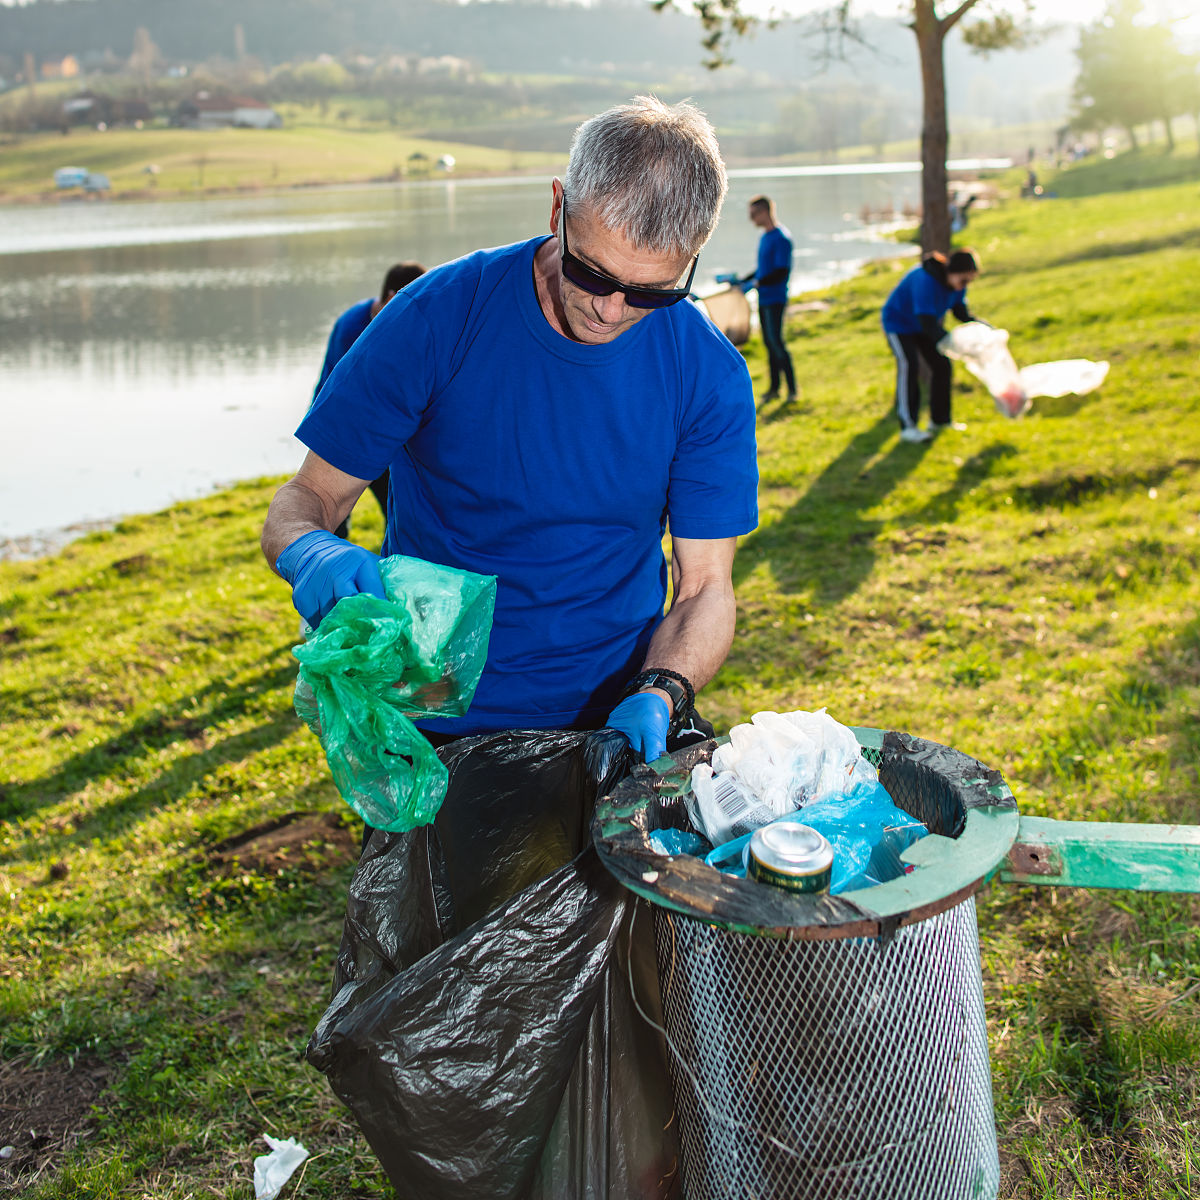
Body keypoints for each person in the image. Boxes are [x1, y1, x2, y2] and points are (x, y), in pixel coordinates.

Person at [262, 95, 759, 770]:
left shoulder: (707, 373)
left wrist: (663, 688)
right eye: (592, 272)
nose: (611, 310)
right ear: (558, 209)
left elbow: (705, 590)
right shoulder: (436, 319)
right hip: (435, 704)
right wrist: (310, 551)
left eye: (652, 292)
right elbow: (305, 501)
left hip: (615, 709)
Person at [312, 261, 426, 538]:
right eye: (412, 300)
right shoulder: (354, 327)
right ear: (391, 297)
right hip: (338, 431)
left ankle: (394, 559)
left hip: (382, 432)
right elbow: (352, 398)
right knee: (330, 514)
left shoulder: (402, 324)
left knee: (396, 507)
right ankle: (330, 563)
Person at [881, 248, 983, 444]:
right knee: (909, 366)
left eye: (969, 281)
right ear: (952, 272)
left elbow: (961, 313)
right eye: (963, 280)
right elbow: (927, 323)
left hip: (922, 326)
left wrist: (984, 328)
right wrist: (953, 343)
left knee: (942, 366)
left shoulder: (957, 286)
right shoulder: (925, 280)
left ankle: (940, 420)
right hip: (899, 324)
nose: (965, 285)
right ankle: (908, 427)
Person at [740, 194, 796, 404]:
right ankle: (774, 389)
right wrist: (743, 280)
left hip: (775, 299)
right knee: (768, 344)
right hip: (764, 299)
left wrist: (757, 284)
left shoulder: (781, 238)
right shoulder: (765, 237)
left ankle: (792, 390)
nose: (751, 218)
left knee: (777, 343)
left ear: (764, 212)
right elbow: (763, 270)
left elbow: (781, 272)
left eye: (754, 214)